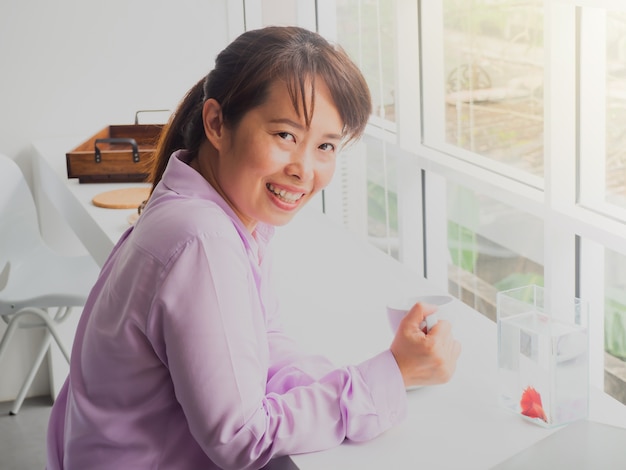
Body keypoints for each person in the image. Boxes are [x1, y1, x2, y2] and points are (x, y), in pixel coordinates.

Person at [46, 26, 461, 470]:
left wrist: (380, 377)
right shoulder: (203, 240)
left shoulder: (210, 210)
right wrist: (390, 376)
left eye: (325, 146)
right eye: (285, 136)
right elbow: (241, 437)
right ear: (216, 123)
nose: (304, 169)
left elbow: (263, 343)